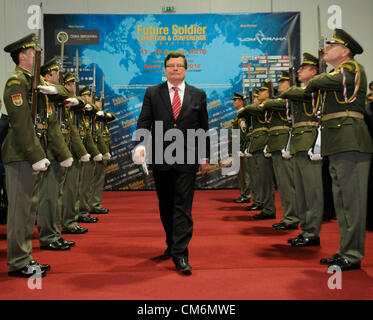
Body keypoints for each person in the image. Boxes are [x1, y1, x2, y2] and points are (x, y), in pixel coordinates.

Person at [133, 51, 209, 274]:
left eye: (179, 66)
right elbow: (144, 121)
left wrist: (204, 156)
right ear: (164, 69)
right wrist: (139, 145)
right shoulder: (152, 93)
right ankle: (172, 243)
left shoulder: (198, 94)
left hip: (187, 157)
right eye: (171, 66)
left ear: (186, 70)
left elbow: (203, 127)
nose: (175, 69)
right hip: (161, 157)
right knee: (166, 205)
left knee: (182, 206)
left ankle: (181, 253)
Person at [306, 29, 373, 270]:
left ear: (345, 51)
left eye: (332, 45)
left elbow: (324, 82)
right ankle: (346, 250)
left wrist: (314, 80)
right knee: (343, 200)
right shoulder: (338, 70)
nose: (326, 49)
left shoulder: (352, 68)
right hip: (338, 140)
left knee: (351, 201)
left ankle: (353, 253)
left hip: (350, 139)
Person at [2, 33, 50, 277]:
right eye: (34, 53)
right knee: (20, 211)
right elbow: (21, 123)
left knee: (28, 210)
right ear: (22, 56)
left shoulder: (32, 81)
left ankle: (24, 257)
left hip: (27, 155)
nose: (37, 57)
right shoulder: (15, 83)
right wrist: (35, 154)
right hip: (20, 155)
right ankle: (18, 262)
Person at [280, 53, 324, 246]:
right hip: (299, 142)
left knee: (312, 191)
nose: (298, 70)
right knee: (302, 191)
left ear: (314, 71)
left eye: (303, 68)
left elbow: (293, 94)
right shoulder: (302, 89)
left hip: (310, 143)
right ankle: (306, 229)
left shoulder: (317, 87)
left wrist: (289, 90)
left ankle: (312, 232)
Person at [37, 56, 75, 251]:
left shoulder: (52, 94)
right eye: (56, 75)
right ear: (46, 76)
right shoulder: (38, 91)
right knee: (48, 198)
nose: (60, 79)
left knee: (55, 197)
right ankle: (48, 235)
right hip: (46, 152)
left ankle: (53, 233)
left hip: (55, 153)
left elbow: (62, 90)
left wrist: (54, 88)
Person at [263, 71, 298, 230]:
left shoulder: (290, 99)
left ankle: (292, 217)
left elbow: (270, 105)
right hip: (278, 143)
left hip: (286, 142)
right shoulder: (282, 100)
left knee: (288, 184)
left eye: (283, 81)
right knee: (283, 185)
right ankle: (288, 216)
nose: (279, 84)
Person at [238, 82, 276, 220]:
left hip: (265, 143)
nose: (258, 95)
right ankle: (264, 205)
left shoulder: (271, 105)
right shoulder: (259, 108)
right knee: (259, 179)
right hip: (256, 144)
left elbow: (245, 110)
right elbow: (243, 113)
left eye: (262, 91)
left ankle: (268, 207)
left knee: (265, 180)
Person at [231, 92, 252, 204]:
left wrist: (242, 148)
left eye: (235, 100)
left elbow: (244, 133)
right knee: (241, 174)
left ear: (240, 101)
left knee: (244, 174)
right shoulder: (238, 115)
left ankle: (246, 195)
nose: (233, 102)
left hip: (241, 147)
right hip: (237, 146)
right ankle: (243, 194)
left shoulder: (243, 115)